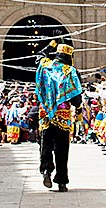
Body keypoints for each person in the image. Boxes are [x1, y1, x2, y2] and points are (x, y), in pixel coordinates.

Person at [35, 40, 83, 192]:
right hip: (62, 113)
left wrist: (52, 44)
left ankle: (46, 170)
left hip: (45, 113)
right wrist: (77, 105)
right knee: (62, 148)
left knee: (46, 144)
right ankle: (62, 181)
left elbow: (39, 55)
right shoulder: (70, 71)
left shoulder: (45, 65)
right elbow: (76, 97)